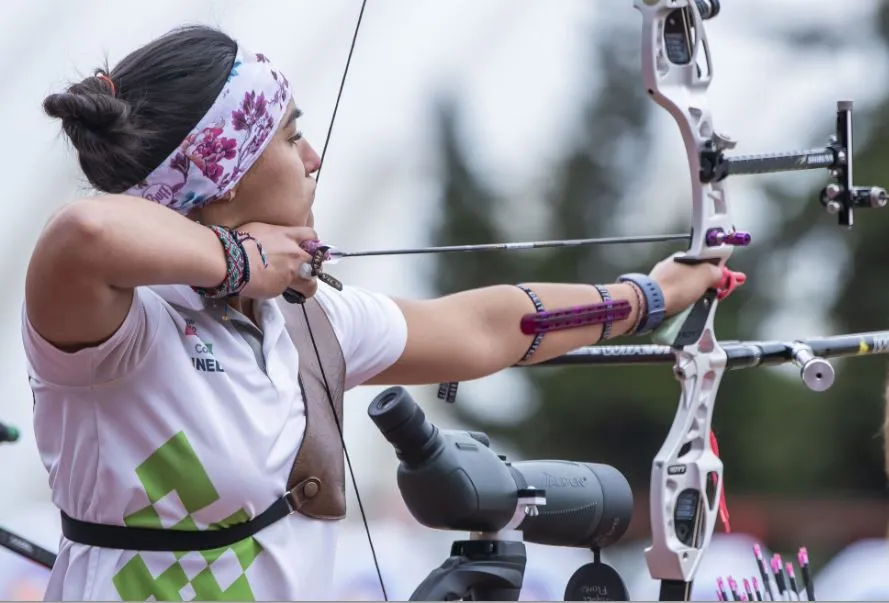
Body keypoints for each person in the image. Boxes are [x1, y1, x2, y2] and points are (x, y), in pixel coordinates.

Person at [25, 25, 725, 601]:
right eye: (288, 137)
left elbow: (487, 327)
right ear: (223, 171)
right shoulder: (118, 324)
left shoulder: (305, 319)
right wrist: (238, 258)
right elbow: (80, 236)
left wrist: (647, 298)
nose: (314, 156)